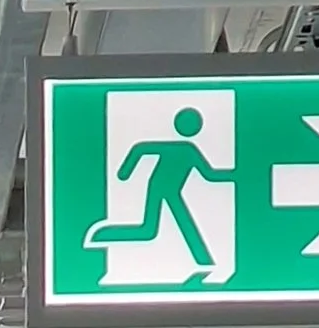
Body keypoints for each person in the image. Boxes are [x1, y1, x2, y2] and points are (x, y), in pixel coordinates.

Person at [93, 106, 233, 279]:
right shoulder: (186, 149)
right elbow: (141, 149)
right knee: (152, 229)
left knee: (150, 229)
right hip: (159, 187)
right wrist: (125, 172)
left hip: (170, 190)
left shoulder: (189, 150)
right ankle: (203, 260)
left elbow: (209, 174)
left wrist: (236, 175)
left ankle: (204, 260)